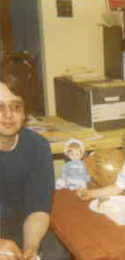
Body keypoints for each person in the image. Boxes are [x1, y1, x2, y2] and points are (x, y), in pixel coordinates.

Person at [0, 77, 69, 260]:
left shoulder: (37, 146)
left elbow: (38, 208)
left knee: (55, 255)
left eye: (15, 107)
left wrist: (31, 248)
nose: (8, 115)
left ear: (24, 114)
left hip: (24, 225)